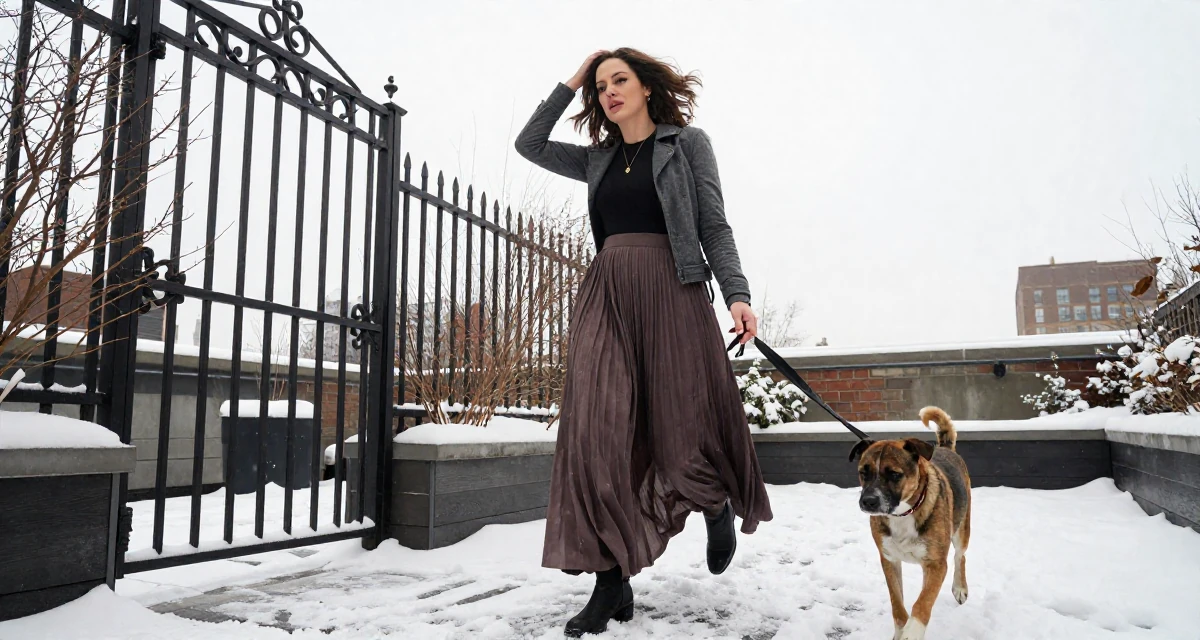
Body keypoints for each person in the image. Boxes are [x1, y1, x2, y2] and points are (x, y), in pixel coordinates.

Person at [514, 48, 773, 637]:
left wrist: (737, 293)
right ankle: (611, 582)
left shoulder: (686, 145)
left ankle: (713, 503)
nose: (608, 91)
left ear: (647, 87)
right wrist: (571, 79)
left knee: (681, 436)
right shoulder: (599, 158)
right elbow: (529, 144)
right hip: (607, 294)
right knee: (597, 433)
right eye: (600, 85)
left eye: (619, 79)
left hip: (672, 293)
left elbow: (713, 225)